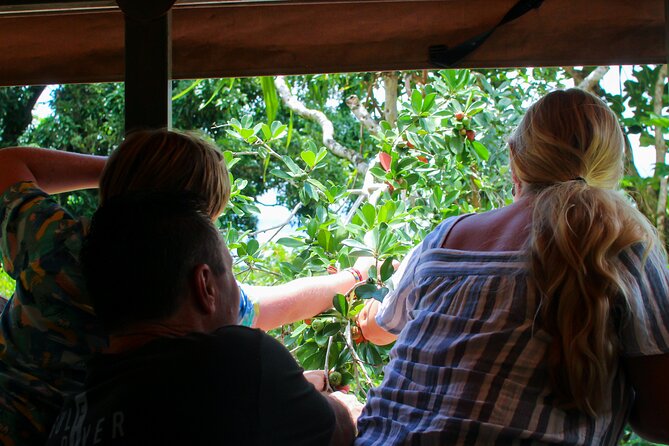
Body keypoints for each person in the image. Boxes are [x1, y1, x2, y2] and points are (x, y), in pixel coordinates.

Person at [0, 129, 370, 445]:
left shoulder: (54, 243)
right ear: (203, 281)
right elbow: (264, 307)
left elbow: (9, 164)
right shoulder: (185, 288)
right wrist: (351, 279)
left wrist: (122, 170)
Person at [355, 89, 669, 444]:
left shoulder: (446, 237)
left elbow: (380, 329)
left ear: (515, 158)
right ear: (610, 171)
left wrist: (361, 292)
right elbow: (663, 417)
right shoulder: (625, 245)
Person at [46, 192, 357, 445]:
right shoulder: (238, 359)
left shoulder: (72, 411)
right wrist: (343, 406)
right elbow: (342, 429)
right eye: (232, 274)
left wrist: (290, 391)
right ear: (205, 285)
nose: (239, 291)